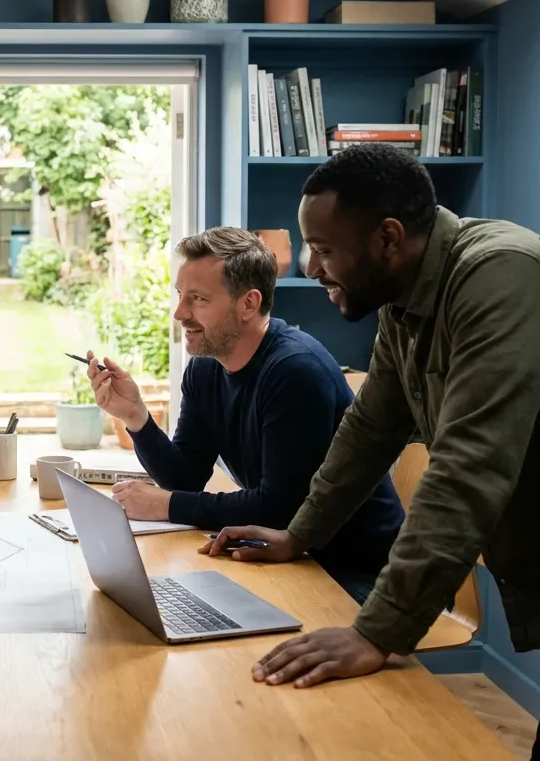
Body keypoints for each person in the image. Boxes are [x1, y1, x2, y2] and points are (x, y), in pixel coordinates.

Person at [209, 143, 540, 758]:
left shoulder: (501, 279)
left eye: (326, 249)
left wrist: (376, 631)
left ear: (388, 238)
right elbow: (370, 428)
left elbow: (468, 469)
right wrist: (299, 534)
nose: (311, 266)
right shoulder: (407, 303)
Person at [86, 226, 404, 604]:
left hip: (357, 575)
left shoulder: (294, 371)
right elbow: (186, 475)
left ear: (248, 304)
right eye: (180, 296)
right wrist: (136, 416)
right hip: (290, 557)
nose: (179, 313)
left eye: (198, 299)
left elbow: (280, 508)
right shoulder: (206, 367)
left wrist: (168, 504)